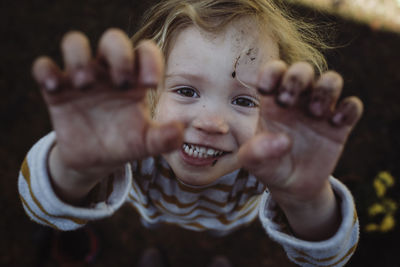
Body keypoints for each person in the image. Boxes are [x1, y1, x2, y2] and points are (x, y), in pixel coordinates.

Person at [18, 0, 363, 266]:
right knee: (154, 222)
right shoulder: (130, 146)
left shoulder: (270, 163)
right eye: (186, 91)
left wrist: (305, 201)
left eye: (244, 100)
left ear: (278, 109)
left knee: (218, 230)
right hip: (151, 210)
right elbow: (43, 210)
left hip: (227, 218)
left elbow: (328, 259)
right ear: (150, 91)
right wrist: (77, 169)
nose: (211, 122)